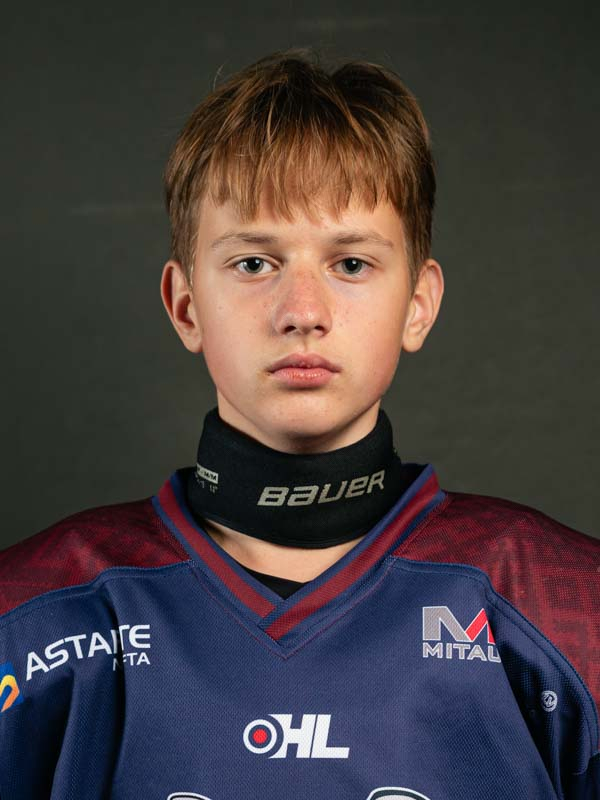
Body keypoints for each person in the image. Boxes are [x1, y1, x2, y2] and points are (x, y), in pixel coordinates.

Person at [0, 47, 597, 800]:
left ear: (418, 304)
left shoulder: (569, 610)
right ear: (186, 306)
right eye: (255, 263)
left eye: (351, 264)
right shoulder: (32, 616)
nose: (303, 313)